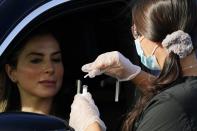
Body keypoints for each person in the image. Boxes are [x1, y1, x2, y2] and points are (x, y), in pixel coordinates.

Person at [69, 0, 197, 131]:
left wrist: (90, 125)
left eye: (137, 33)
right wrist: (135, 74)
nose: (137, 41)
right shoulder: (186, 93)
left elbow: (171, 101)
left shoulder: (170, 108)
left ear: (151, 34)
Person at [0, 26, 106, 131]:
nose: (50, 69)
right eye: (36, 60)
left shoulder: (80, 122)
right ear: (11, 72)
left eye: (56, 59)